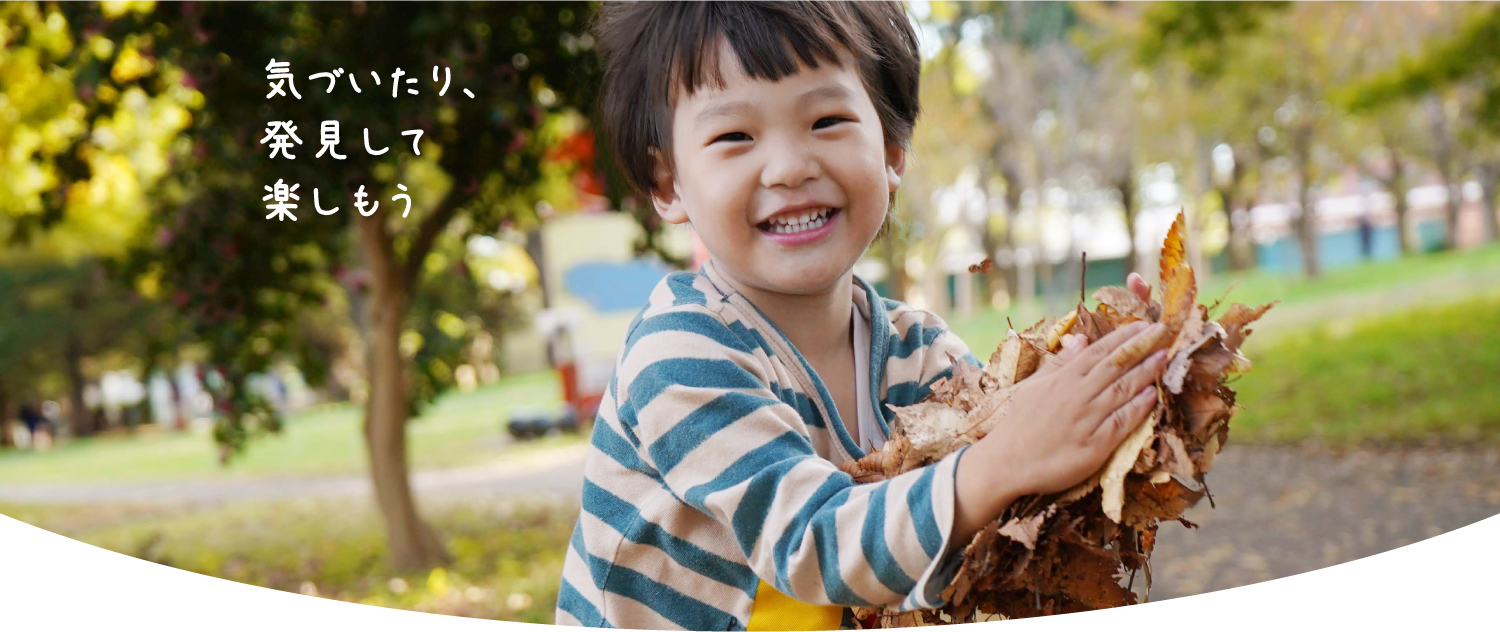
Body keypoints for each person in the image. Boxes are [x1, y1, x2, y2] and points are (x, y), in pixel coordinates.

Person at [556, 1, 1165, 629]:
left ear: (894, 150)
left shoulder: (920, 350)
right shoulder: (680, 354)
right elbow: (811, 543)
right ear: (667, 181)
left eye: (827, 119)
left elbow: (1016, 476)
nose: (791, 166)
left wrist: (1113, 372)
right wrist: (1006, 458)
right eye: (734, 136)